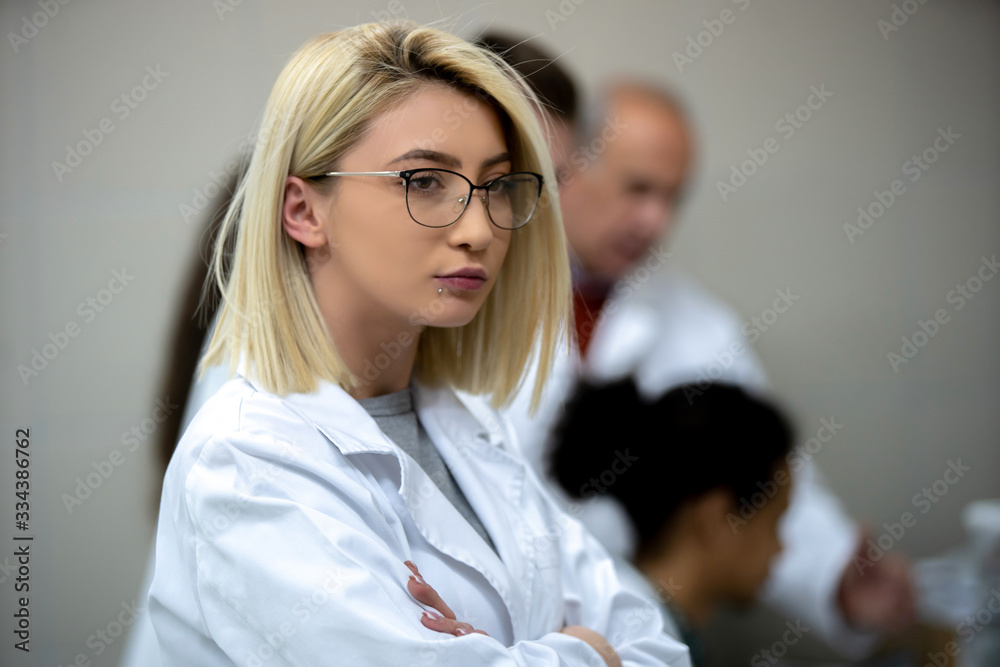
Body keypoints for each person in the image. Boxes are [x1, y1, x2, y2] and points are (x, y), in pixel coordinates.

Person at [147, 21, 689, 667]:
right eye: (425, 181)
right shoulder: (245, 458)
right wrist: (589, 651)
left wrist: (514, 653)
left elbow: (652, 636)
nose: (478, 229)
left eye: (497, 186)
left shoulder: (468, 424)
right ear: (304, 210)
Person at [498, 76, 917, 656]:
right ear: (569, 168)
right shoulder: (474, 292)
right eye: (638, 189)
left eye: (673, 197)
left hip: (628, 633)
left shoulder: (698, 326)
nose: (656, 222)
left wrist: (836, 578)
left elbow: (762, 481)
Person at [550, 379, 796, 666]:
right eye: (774, 522)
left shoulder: (657, 630)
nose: (781, 548)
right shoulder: (631, 643)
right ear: (716, 519)